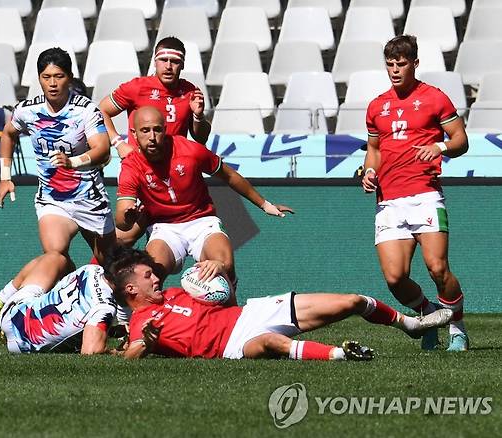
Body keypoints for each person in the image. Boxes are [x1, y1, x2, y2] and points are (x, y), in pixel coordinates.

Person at [104, 248, 453, 360]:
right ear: (131, 289)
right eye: (148, 276)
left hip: (250, 312)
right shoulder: (142, 321)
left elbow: (219, 291)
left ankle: (410, 325)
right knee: (271, 343)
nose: (156, 278)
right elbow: (132, 353)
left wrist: (216, 271)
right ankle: (342, 354)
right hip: (233, 346)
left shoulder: (177, 292)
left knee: (352, 301)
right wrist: (145, 344)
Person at [115, 106, 293, 303]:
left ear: (165, 129)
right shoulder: (130, 166)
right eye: (145, 130)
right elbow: (122, 219)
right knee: (150, 274)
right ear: (133, 133)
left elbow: (229, 175)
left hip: (202, 221)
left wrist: (264, 204)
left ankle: (231, 311)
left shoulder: (190, 150)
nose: (152, 136)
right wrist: (127, 218)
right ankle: (149, 324)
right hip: (164, 227)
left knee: (223, 264)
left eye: (157, 129)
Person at [0, 47, 116, 319]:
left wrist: (74, 162)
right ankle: (67, 303)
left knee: (112, 265)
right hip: (53, 200)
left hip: (90, 199)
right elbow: (8, 134)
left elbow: (103, 151)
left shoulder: (85, 110)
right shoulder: (27, 110)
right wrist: (5, 177)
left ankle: (117, 314)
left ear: (69, 77)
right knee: (55, 256)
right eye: (46, 77)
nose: (53, 83)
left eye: (59, 76)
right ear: (39, 78)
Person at [362, 35, 469, 352]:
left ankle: (457, 329)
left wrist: (439, 146)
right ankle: (429, 313)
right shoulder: (376, 105)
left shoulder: (435, 98)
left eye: (402, 64)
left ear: (415, 64)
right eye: (390, 64)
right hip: (389, 201)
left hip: (425, 195)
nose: (395, 70)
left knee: (438, 268)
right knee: (395, 277)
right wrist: (369, 171)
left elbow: (461, 140)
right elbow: (373, 149)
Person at [97, 36, 212, 250]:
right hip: (142, 175)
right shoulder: (137, 88)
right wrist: (118, 142)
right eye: (163, 60)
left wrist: (198, 116)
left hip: (175, 180)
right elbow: (100, 110)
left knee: (181, 244)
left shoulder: (190, 91)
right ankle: (96, 278)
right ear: (155, 62)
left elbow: (201, 137)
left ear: (183, 64)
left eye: (175, 61)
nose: (168, 66)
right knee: (120, 240)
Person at [0, 252, 128, 354]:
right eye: (147, 275)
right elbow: (90, 352)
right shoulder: (105, 307)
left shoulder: (90, 270)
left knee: (56, 257)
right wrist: (122, 353)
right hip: (23, 346)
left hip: (13, 313)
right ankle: (0, 300)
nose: (150, 280)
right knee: (56, 257)